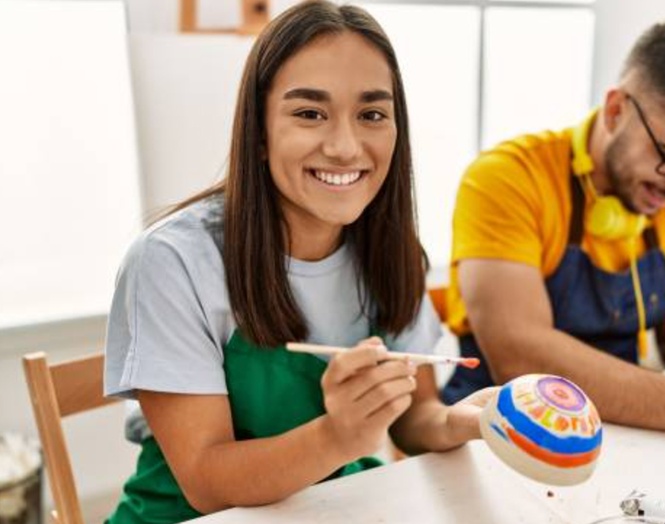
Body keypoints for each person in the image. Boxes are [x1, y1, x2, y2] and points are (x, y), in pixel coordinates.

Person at [103, 2, 493, 522]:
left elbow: (414, 416)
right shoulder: (171, 261)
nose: (345, 147)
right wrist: (338, 436)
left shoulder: (392, 251)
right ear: (259, 134)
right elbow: (205, 482)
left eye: (372, 114)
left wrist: (465, 422)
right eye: (310, 113)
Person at [441, 19, 665, 454]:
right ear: (616, 110)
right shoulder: (506, 179)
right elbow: (520, 354)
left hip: (619, 432)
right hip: (497, 438)